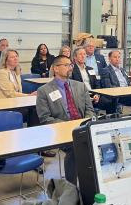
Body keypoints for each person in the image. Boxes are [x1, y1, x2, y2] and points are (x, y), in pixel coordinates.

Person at [36, 55, 94, 183]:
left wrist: (85, 123)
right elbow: (45, 118)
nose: (70, 68)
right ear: (56, 68)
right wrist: (69, 127)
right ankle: (71, 186)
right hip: (61, 131)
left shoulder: (80, 86)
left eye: (71, 65)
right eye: (66, 65)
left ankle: (95, 181)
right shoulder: (44, 91)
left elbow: (90, 109)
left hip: (83, 127)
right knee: (76, 147)